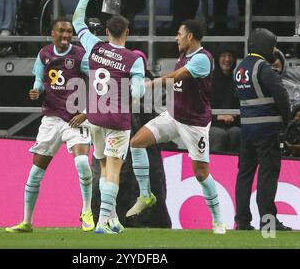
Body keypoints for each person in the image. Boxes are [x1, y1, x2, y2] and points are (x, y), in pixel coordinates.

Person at [125, 19, 227, 235]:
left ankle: (218, 219)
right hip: (173, 116)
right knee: (136, 143)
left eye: (179, 34)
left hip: (194, 124)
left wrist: (150, 84)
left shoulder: (203, 59)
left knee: (201, 174)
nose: (176, 37)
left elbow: (176, 77)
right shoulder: (184, 55)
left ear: (190, 36)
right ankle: (145, 195)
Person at [72, 0, 146, 234]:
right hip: (116, 120)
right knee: (114, 169)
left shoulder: (94, 46)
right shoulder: (134, 58)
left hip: (95, 118)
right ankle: (102, 221)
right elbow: (136, 94)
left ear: (105, 31)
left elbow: (77, 21)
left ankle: (112, 218)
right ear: (127, 32)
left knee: (103, 165)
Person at [5, 18, 93, 233]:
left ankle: (87, 211)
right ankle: (27, 221)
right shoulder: (44, 54)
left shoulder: (80, 56)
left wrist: (87, 112)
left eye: (69, 32)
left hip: (75, 118)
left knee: (82, 162)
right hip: (52, 118)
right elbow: (39, 78)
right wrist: (37, 90)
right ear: (52, 33)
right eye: (61, 31)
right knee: (36, 172)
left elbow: (100, 84)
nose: (65, 35)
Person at [90, 50, 172, 229]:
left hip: (144, 146)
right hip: (120, 139)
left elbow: (164, 113)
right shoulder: (118, 80)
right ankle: (106, 219)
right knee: (113, 178)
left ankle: (145, 222)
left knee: (148, 180)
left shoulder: (153, 84)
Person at [234, 28, 292, 231]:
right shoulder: (264, 68)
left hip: (246, 130)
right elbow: (282, 97)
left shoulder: (240, 69)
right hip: (267, 130)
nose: (274, 50)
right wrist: (287, 122)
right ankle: (268, 222)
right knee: (267, 175)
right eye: (273, 45)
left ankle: (241, 221)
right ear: (265, 45)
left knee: (244, 174)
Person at [210, 43, 241, 153]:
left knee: (237, 133)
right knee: (219, 135)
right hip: (212, 124)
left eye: (230, 56)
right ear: (217, 59)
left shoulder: (238, 81)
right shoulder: (208, 81)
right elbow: (199, 110)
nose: (227, 59)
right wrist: (218, 117)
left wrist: (233, 116)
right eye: (223, 56)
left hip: (233, 125)